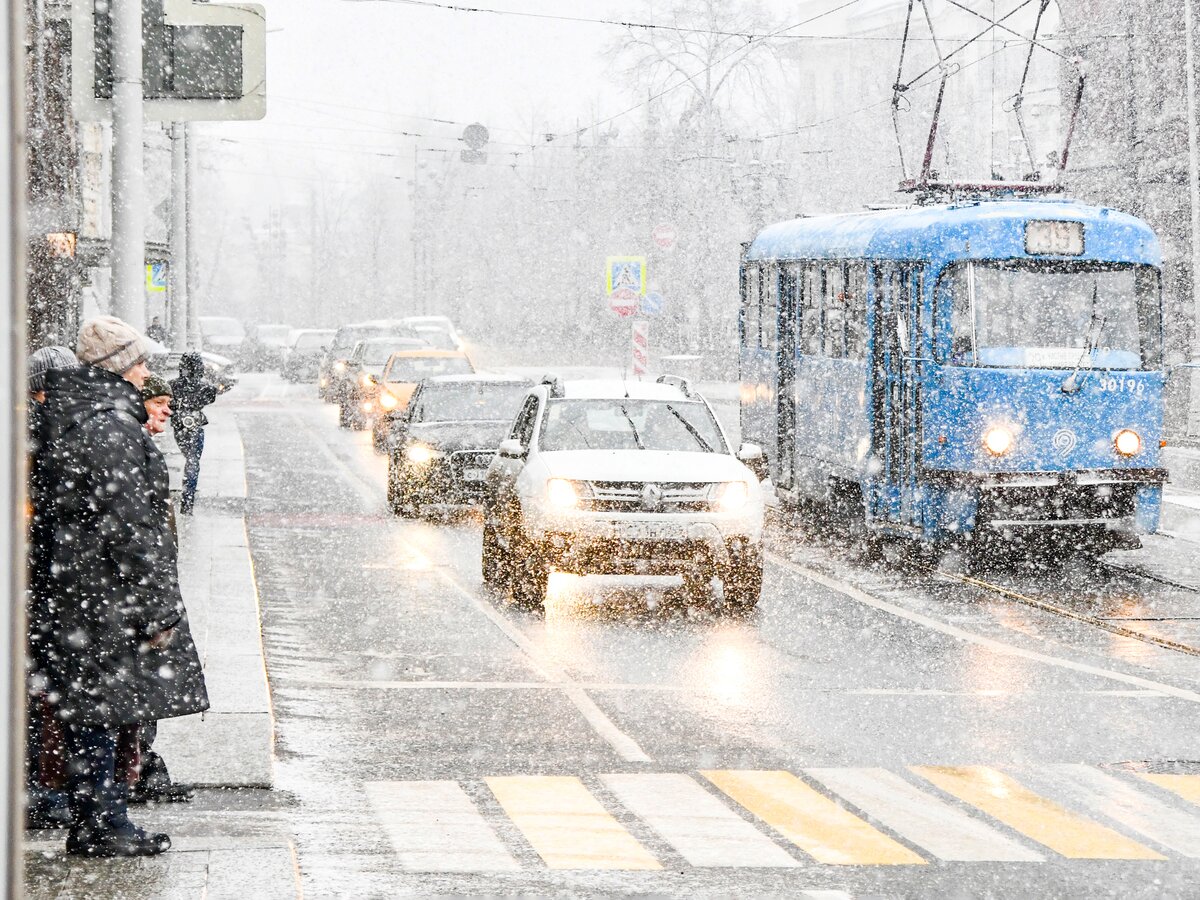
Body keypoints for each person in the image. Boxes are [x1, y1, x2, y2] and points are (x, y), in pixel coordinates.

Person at [29, 316, 209, 857]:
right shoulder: (109, 427)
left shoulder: (84, 417)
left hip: (83, 591)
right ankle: (102, 822)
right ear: (121, 369)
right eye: (142, 364)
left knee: (93, 709)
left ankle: (98, 817)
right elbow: (131, 528)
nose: (148, 373)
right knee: (103, 711)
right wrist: (158, 609)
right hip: (105, 597)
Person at [25, 346, 80, 830]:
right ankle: (39, 791)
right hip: (42, 587)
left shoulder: (54, 433)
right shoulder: (40, 435)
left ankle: (45, 788)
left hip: (49, 585)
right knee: (41, 694)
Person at [170, 352, 228, 515]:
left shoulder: (172, 386)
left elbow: (169, 403)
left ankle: (187, 498)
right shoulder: (204, 387)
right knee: (193, 460)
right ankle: (188, 500)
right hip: (194, 425)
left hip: (179, 425)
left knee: (190, 458)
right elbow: (217, 391)